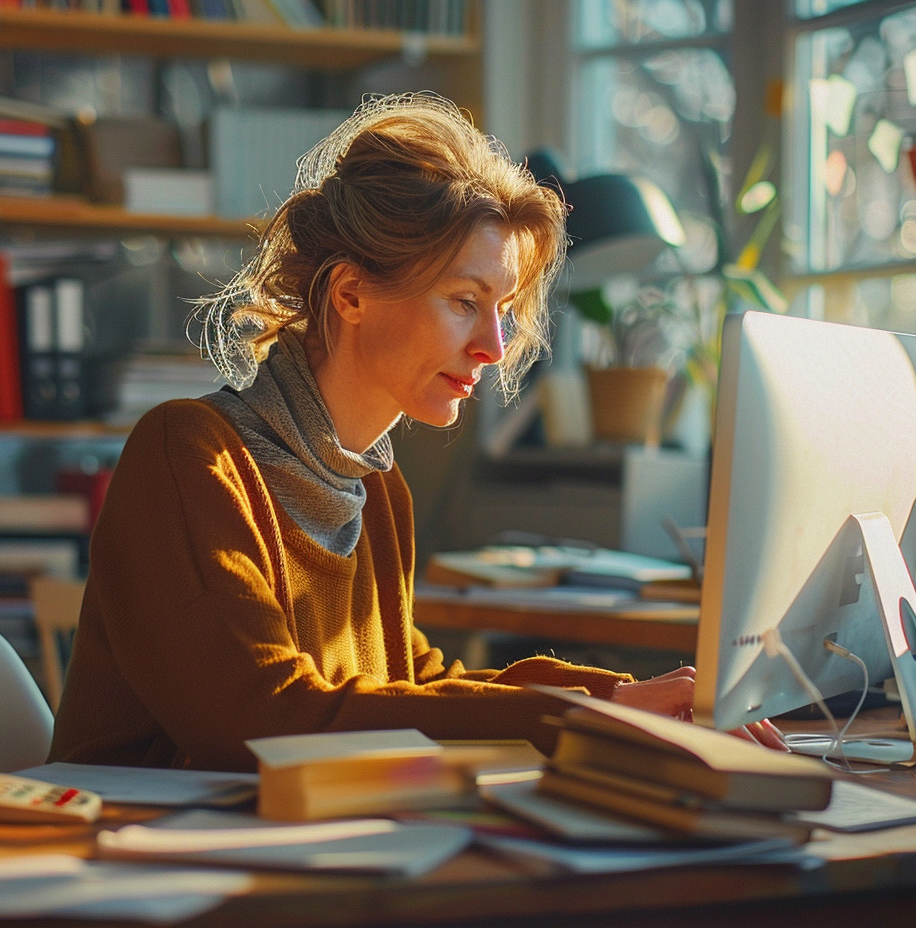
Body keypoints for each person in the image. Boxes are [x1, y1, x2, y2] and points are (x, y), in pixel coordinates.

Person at [48, 92, 782, 773]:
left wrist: (625, 698)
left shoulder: (375, 485)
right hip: (148, 867)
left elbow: (417, 683)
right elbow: (258, 717)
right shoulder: (191, 455)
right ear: (351, 293)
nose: (494, 346)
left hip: (307, 849)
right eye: (466, 301)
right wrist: (591, 713)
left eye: (502, 310)